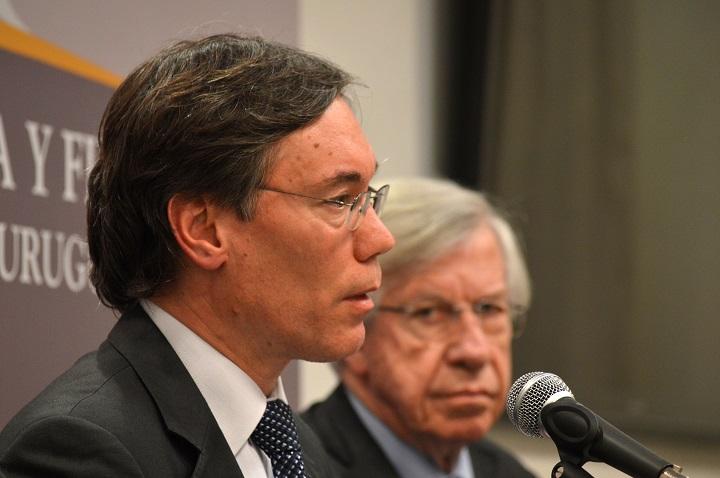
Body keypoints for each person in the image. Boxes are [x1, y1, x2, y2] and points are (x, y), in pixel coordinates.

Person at [0, 34, 394, 477]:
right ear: (203, 230)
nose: (380, 238)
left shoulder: (302, 450)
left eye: (369, 197)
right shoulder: (77, 452)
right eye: (339, 200)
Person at [303, 177, 535, 478]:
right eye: (429, 313)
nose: (474, 351)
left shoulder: (510, 474)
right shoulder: (292, 467)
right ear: (357, 336)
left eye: (488, 309)